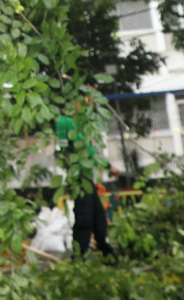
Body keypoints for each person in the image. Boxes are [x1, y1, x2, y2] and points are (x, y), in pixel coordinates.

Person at [55, 107, 112, 256]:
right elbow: (85, 148)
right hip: (80, 178)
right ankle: (79, 256)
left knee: (98, 216)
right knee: (85, 217)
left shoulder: (66, 121)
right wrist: (107, 166)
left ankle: (106, 251)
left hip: (83, 176)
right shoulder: (67, 122)